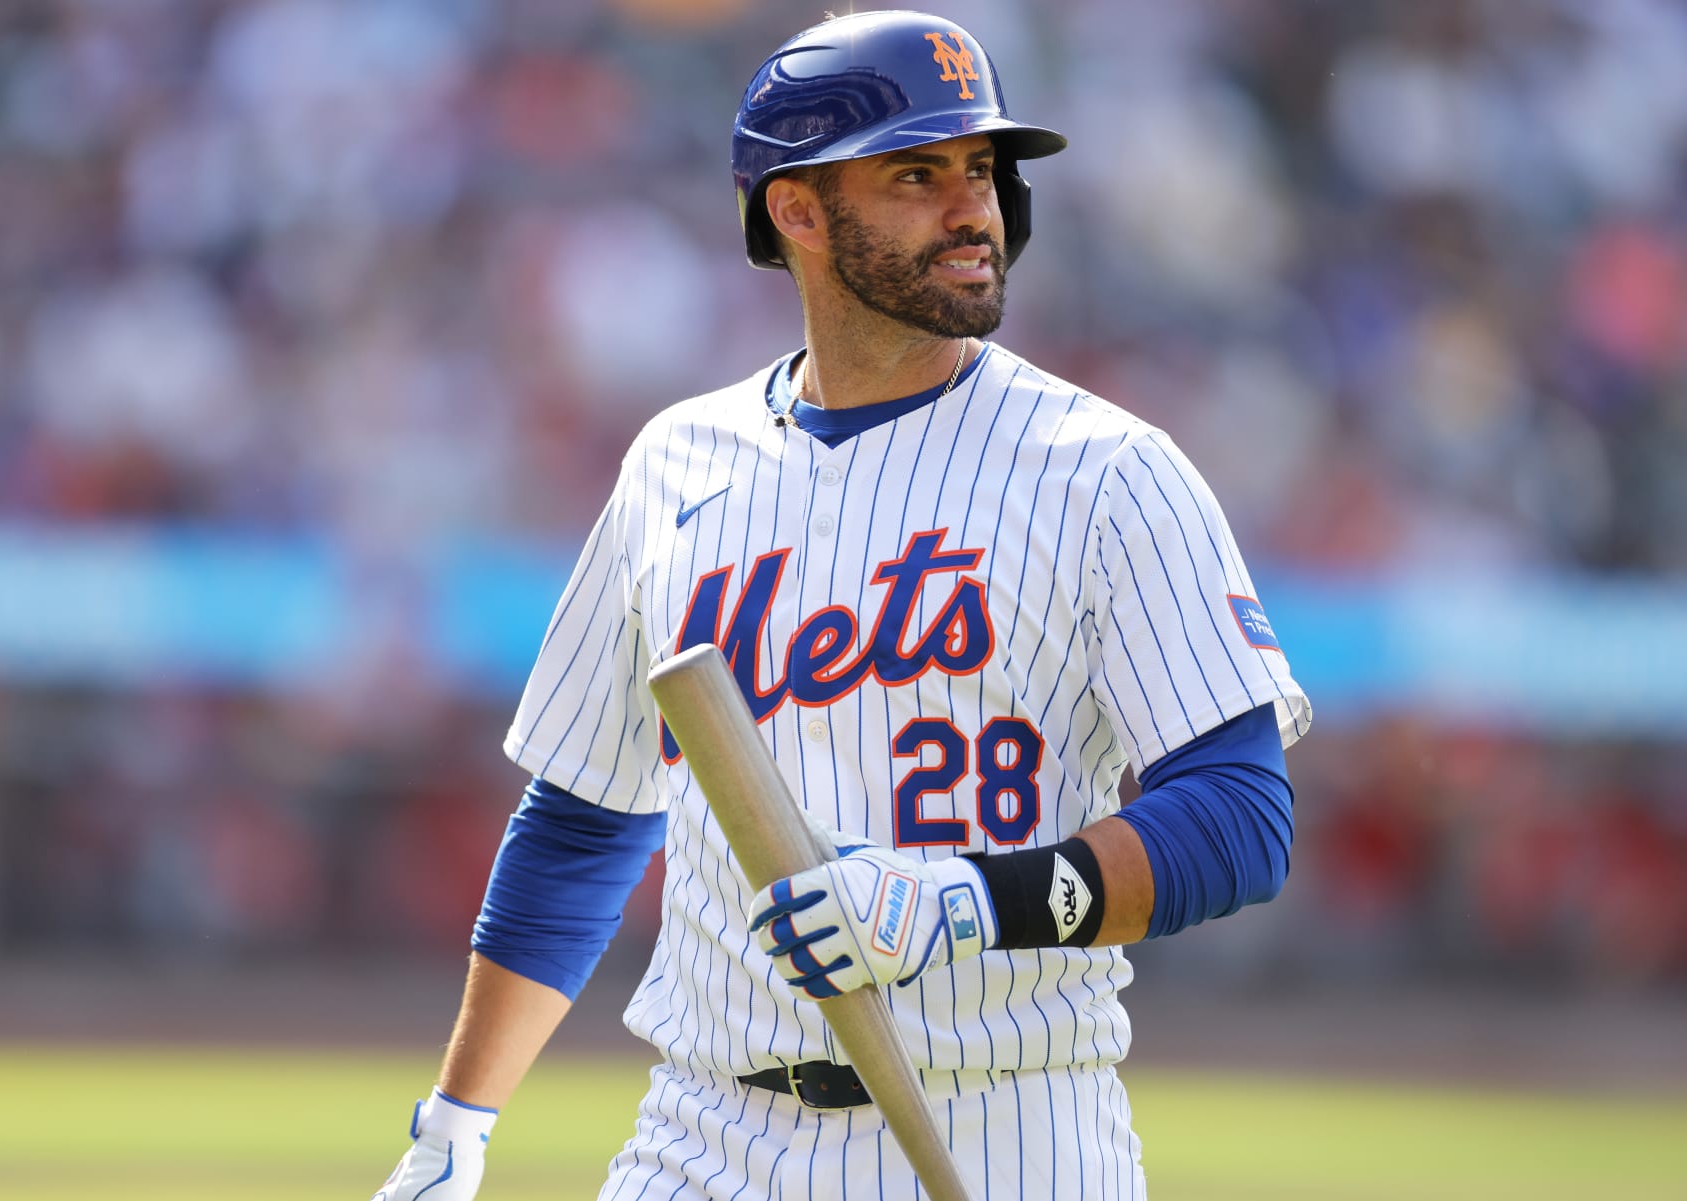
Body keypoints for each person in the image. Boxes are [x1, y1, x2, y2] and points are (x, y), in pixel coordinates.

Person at [372, 10, 1311, 1200]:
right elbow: (585, 818)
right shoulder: (677, 464)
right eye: (917, 174)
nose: (972, 209)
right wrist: (457, 1121)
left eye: (981, 169)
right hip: (705, 1133)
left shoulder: (1111, 472)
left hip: (1006, 1124)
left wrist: (967, 900)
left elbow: (1240, 817)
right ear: (799, 211)